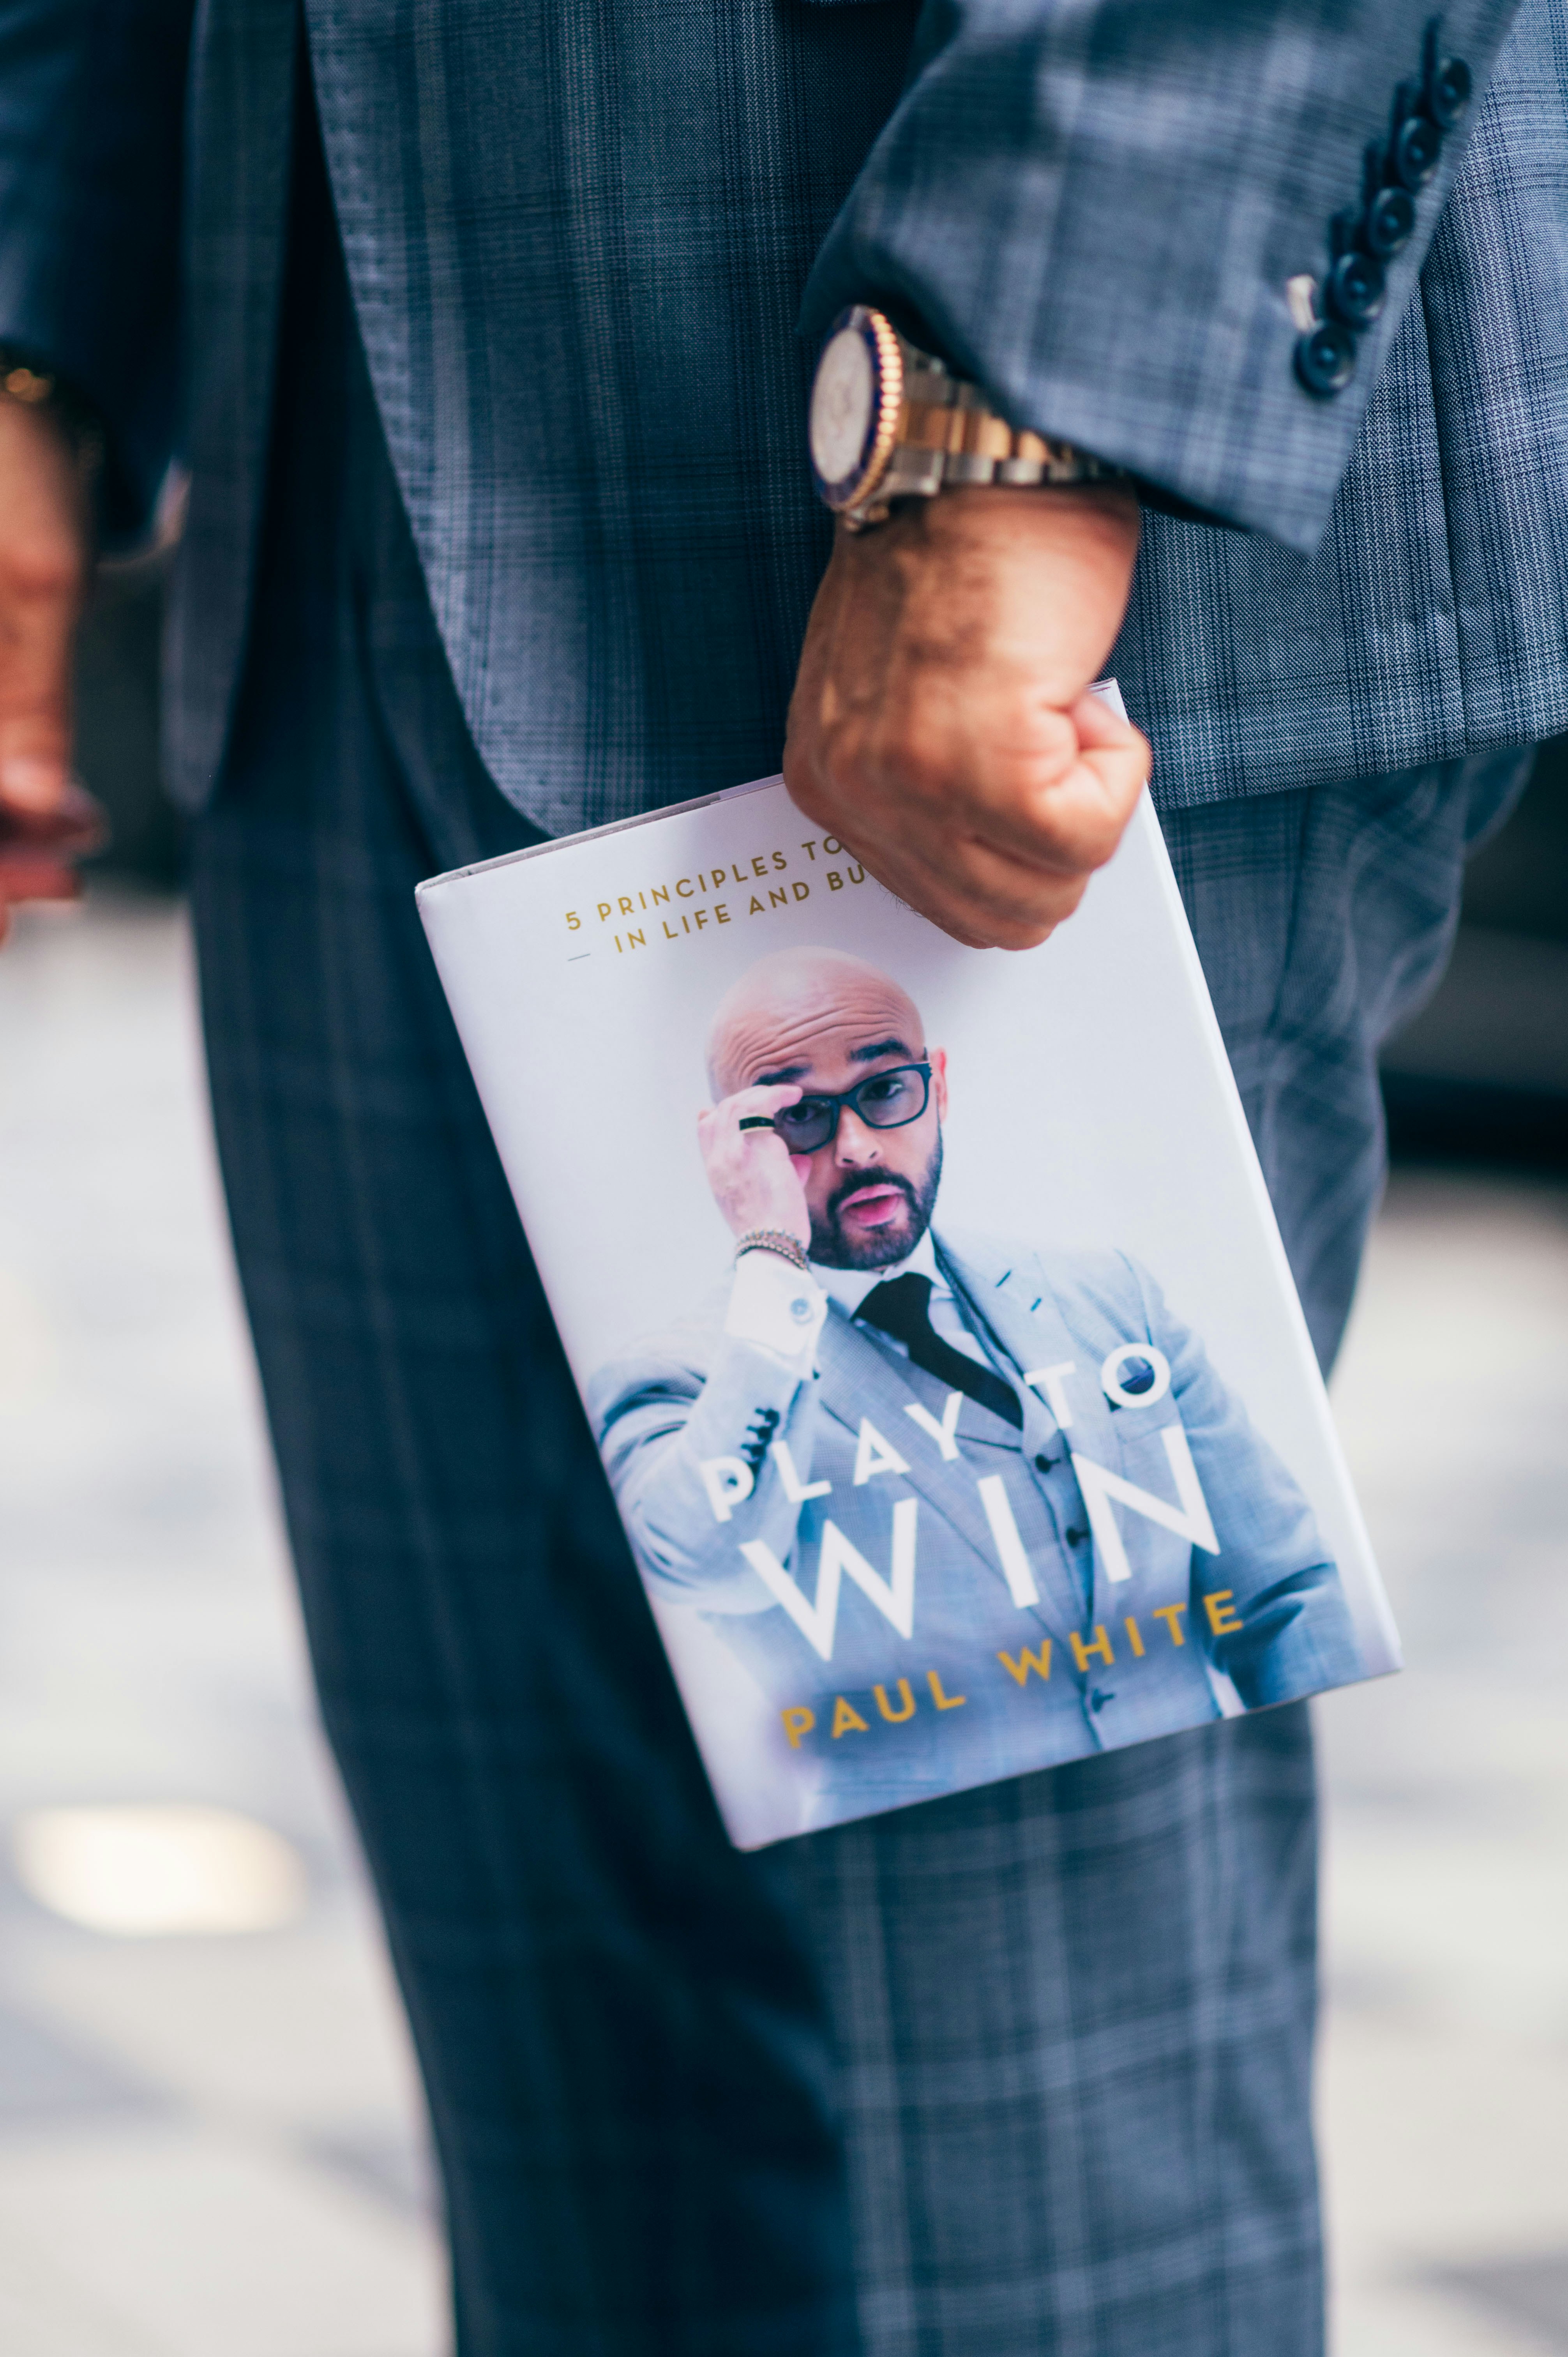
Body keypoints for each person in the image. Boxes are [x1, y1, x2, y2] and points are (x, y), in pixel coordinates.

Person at [0, 0, 1553, 2349]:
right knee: (572, 2109)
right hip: (340, 448)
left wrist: (1029, 398)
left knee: (1032, 2163)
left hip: (998, 525)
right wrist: (40, 339)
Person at [592, 946, 1361, 1828]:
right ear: (735, 1144)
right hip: (932, 1872)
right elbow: (707, 1564)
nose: (855, 1147)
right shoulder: (676, 1380)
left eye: (884, 1091)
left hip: (1194, 1821)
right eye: (799, 1116)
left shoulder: (1104, 1295)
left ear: (938, 1086)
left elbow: (1283, 1592)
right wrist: (770, 1257)